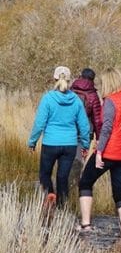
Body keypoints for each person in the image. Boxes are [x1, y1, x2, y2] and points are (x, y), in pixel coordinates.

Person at [78, 68, 121, 236]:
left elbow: (106, 128)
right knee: (119, 190)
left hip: (109, 151)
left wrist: (99, 152)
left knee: (85, 182)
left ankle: (86, 224)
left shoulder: (110, 101)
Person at [28, 65, 91, 208]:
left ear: (54, 78)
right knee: (63, 178)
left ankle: (50, 194)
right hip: (69, 144)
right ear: (69, 81)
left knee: (45, 174)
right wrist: (85, 145)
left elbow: (39, 124)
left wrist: (32, 142)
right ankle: (62, 208)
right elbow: (84, 126)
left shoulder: (48, 98)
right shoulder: (76, 100)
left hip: (50, 142)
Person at [71, 67, 103, 142]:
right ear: (93, 79)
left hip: (69, 129)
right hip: (85, 132)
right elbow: (97, 119)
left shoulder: (71, 90)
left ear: (81, 76)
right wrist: (98, 138)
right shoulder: (93, 95)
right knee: (81, 153)